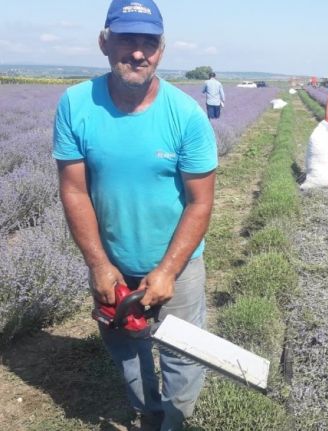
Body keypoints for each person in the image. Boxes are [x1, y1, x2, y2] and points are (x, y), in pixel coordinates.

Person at [52, 1, 218, 429]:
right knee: (127, 350)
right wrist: (99, 264)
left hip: (178, 266)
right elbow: (73, 189)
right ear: (105, 42)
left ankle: (175, 421)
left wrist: (167, 270)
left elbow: (200, 202)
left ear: (161, 50)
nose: (138, 53)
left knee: (183, 356)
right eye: (127, 39)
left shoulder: (186, 116)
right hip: (112, 264)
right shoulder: (75, 104)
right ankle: (147, 413)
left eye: (149, 43)